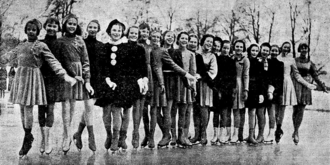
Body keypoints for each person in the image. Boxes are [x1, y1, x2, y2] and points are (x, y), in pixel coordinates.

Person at [0, 19, 76, 158]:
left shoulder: (41, 45)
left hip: (33, 78)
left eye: (34, 30)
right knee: (22, 109)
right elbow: (8, 56)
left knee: (28, 108)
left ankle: (27, 138)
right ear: (25, 30)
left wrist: (65, 76)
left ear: (38, 32)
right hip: (21, 79)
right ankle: (28, 135)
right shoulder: (21, 45)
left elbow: (53, 61)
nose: (31, 31)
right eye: (29, 29)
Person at [95, 19, 148, 152]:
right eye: (114, 30)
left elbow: (132, 67)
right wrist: (107, 80)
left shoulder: (127, 47)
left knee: (120, 111)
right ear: (109, 31)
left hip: (124, 83)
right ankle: (109, 135)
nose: (117, 33)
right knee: (106, 112)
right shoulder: (103, 47)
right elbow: (102, 66)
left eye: (119, 30)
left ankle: (119, 138)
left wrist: (140, 80)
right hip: (106, 82)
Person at [52, 14, 94, 154]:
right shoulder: (60, 41)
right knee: (66, 106)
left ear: (77, 26)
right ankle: (66, 135)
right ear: (65, 25)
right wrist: (69, 74)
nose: (71, 26)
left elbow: (86, 61)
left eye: (74, 24)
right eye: (69, 23)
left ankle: (69, 132)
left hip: (79, 76)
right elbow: (58, 61)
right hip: (66, 75)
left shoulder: (80, 41)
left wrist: (86, 79)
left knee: (73, 105)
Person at [275, 41, 316, 143]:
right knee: (276, 110)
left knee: (283, 108)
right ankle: (277, 128)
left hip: (286, 84)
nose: (286, 49)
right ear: (281, 47)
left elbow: (297, 75)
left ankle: (284, 130)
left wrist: (308, 84)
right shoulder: (276, 58)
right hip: (276, 85)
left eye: (288, 48)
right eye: (285, 47)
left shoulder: (291, 60)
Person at [72, 19, 104, 152]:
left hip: (98, 79)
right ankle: (91, 136)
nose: (92, 29)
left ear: (98, 29)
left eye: (95, 27)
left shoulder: (101, 45)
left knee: (88, 108)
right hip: (86, 77)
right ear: (87, 28)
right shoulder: (81, 42)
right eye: (90, 27)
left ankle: (78, 133)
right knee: (89, 106)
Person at [292, 43, 327, 144]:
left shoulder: (310, 63)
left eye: (305, 48)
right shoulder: (294, 60)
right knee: (295, 109)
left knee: (301, 109)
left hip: (306, 86)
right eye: (302, 48)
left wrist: (323, 86)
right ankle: (295, 129)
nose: (303, 49)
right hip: (296, 85)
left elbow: (315, 76)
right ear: (299, 49)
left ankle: (296, 131)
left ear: (307, 50)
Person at [38, 17, 62, 155]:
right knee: (41, 109)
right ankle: (43, 138)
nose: (52, 28)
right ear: (45, 27)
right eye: (49, 25)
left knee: (51, 109)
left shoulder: (60, 43)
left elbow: (64, 61)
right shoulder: (40, 43)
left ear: (58, 28)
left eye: (54, 26)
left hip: (54, 80)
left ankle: (48, 139)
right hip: (41, 79)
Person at [171, 32, 196, 148]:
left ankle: (184, 136)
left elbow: (192, 72)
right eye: (182, 38)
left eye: (186, 39)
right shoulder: (174, 52)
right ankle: (173, 136)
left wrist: (193, 87)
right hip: (175, 83)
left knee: (185, 112)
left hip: (186, 85)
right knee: (173, 112)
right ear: (178, 39)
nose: (184, 41)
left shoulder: (191, 54)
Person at [193, 34, 218, 145]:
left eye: (211, 42)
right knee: (195, 109)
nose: (209, 44)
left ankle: (203, 134)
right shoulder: (196, 53)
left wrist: (202, 76)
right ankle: (196, 134)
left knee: (204, 109)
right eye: (207, 41)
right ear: (202, 41)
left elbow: (213, 71)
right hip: (195, 84)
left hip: (206, 85)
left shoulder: (212, 56)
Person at [212, 40, 236, 144]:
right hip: (217, 88)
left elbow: (233, 77)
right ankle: (215, 134)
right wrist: (217, 88)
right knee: (216, 112)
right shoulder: (216, 59)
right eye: (224, 48)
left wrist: (232, 89)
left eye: (227, 48)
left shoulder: (231, 61)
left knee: (225, 112)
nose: (225, 50)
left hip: (228, 89)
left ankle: (223, 133)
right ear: (220, 48)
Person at [137, 23, 154, 148]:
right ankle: (144, 135)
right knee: (141, 108)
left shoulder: (151, 46)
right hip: (138, 75)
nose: (144, 33)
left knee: (150, 107)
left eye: (147, 31)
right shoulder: (135, 45)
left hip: (150, 75)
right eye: (142, 31)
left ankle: (150, 136)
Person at [263, 44, 284, 143]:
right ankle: (260, 133)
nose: (274, 52)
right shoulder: (266, 61)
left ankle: (271, 133)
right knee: (261, 113)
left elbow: (279, 79)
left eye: (276, 51)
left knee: (272, 113)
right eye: (272, 50)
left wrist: (273, 90)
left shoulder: (280, 64)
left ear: (278, 52)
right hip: (263, 89)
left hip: (274, 91)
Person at [231, 40, 249, 144]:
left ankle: (239, 134)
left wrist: (246, 89)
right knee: (235, 110)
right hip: (233, 85)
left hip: (241, 84)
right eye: (237, 46)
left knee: (241, 110)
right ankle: (235, 133)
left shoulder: (245, 60)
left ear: (243, 49)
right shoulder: (231, 58)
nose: (238, 48)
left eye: (241, 47)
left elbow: (246, 75)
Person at [244, 44, 260, 144]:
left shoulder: (259, 63)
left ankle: (251, 135)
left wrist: (260, 93)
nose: (254, 52)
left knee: (252, 112)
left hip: (254, 89)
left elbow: (260, 79)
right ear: (249, 51)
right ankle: (240, 134)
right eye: (252, 50)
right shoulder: (245, 60)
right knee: (241, 111)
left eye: (256, 51)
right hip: (245, 86)